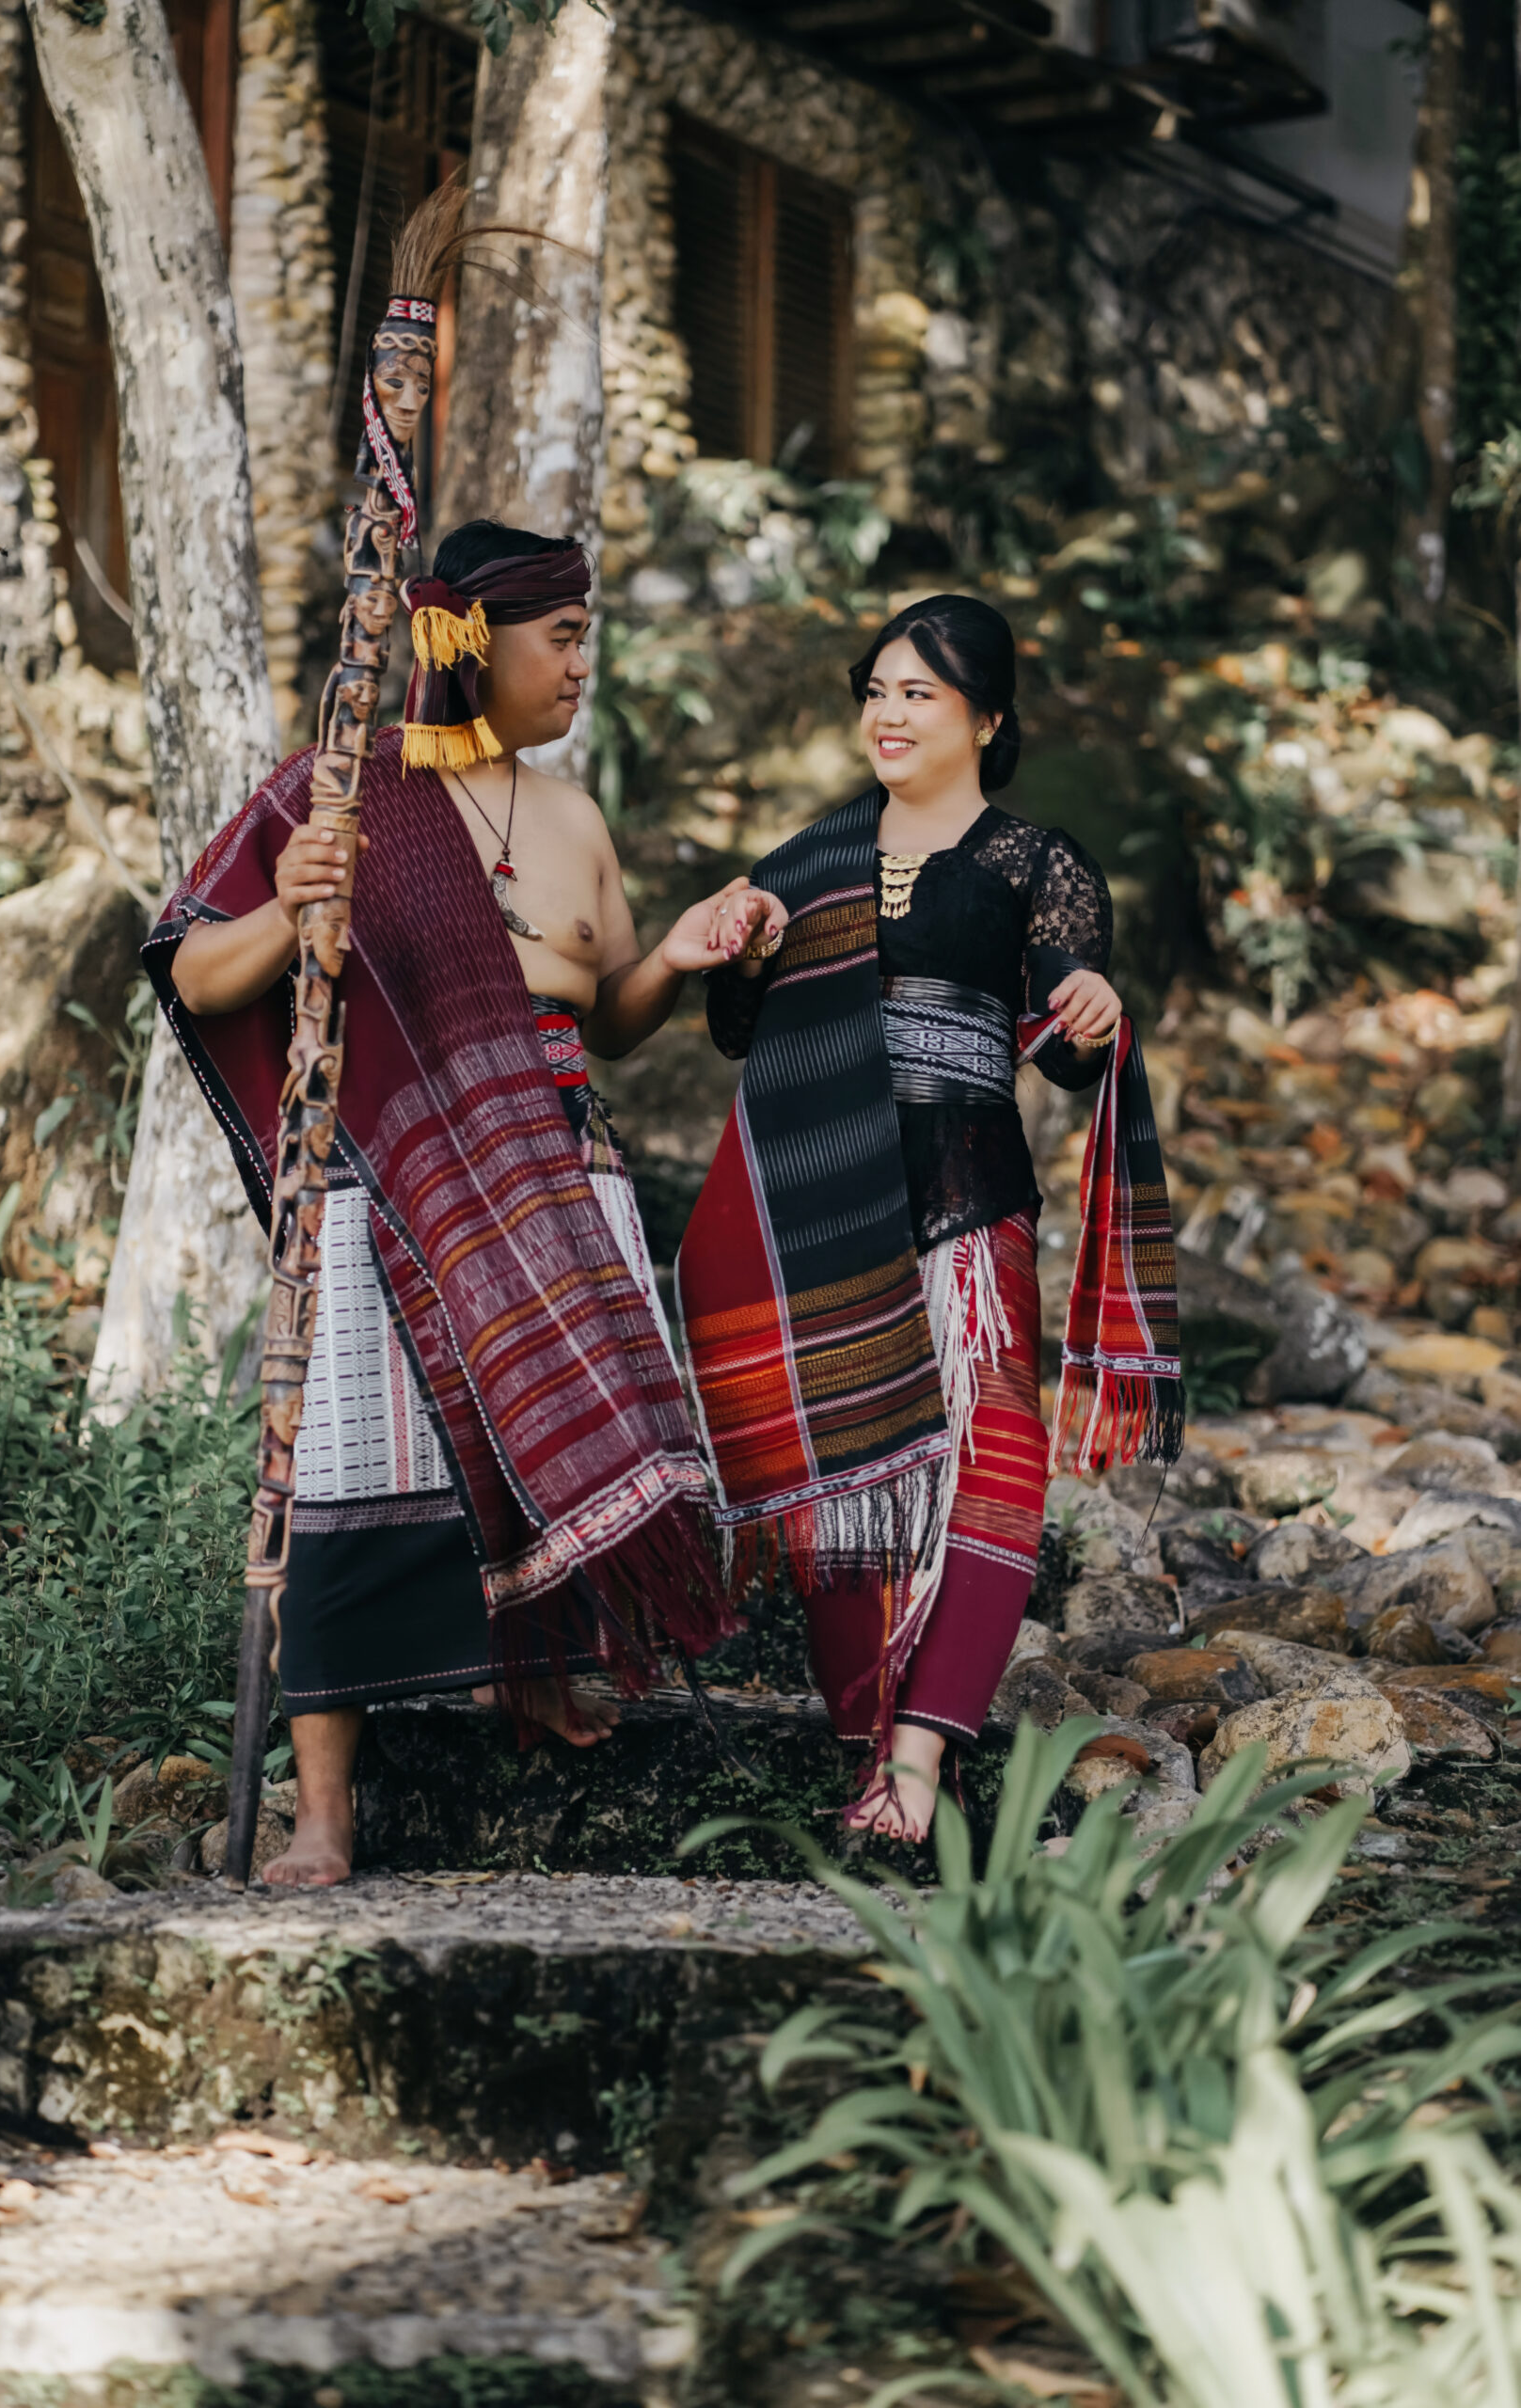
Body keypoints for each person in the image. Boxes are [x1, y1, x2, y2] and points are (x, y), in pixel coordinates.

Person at [148, 520, 784, 1886]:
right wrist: (290, 907)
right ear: (472, 642)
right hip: (391, 1188)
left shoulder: (574, 818)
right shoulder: (337, 792)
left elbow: (611, 1022)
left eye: (586, 637)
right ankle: (323, 1816)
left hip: (561, 1173)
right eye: (564, 638)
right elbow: (197, 977)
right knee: (349, 1471)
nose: (583, 666)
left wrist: (675, 956)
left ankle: (535, 1666)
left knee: (544, 1450)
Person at [677, 594, 1180, 1842]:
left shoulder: (1037, 864)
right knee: (843, 1475)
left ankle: (925, 1747)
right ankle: (871, 1754)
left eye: (920, 694)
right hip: (822, 1205)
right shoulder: (811, 861)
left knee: (994, 1457)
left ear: (987, 719)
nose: (887, 715)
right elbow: (738, 1029)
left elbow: (1068, 1036)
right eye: (877, 692)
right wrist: (749, 950)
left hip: (966, 1195)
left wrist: (1092, 1008)